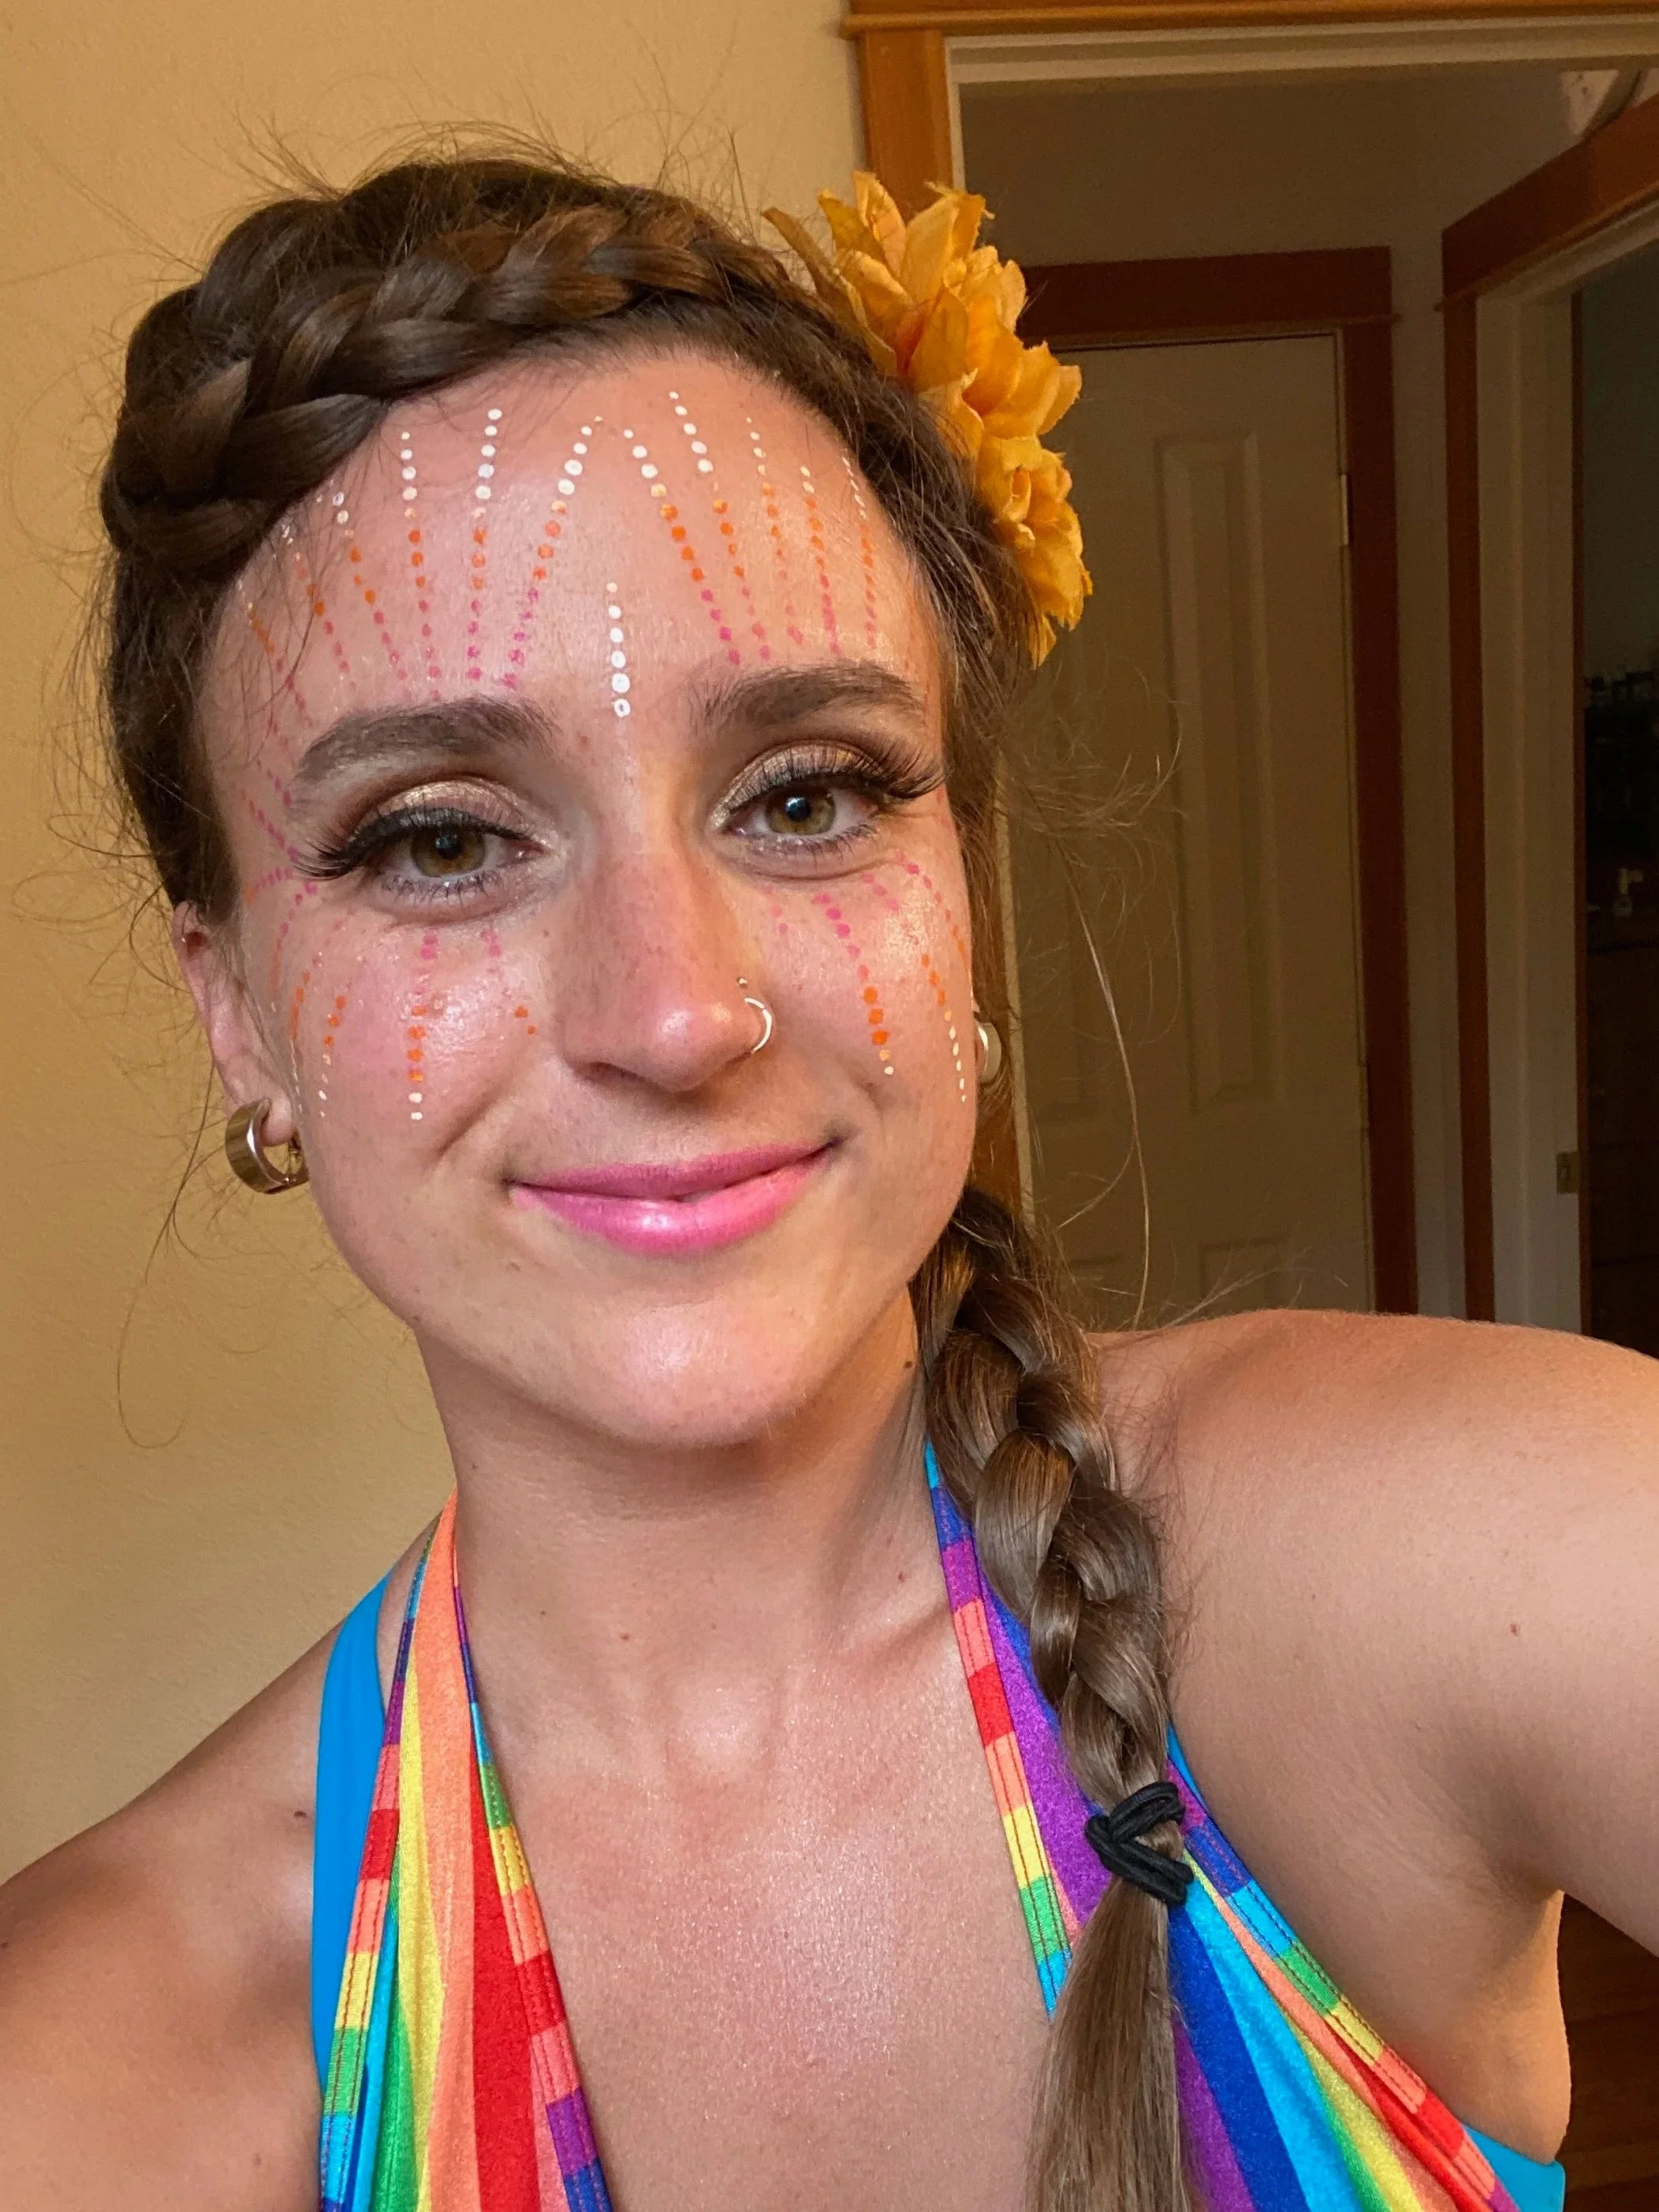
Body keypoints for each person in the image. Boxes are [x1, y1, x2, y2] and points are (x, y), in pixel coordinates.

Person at [0, 148, 1653, 2212]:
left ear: (959, 883)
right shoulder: (92, 2066)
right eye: (437, 836)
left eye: (806, 793)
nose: (679, 1013)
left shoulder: (1413, 1561)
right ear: (236, 1006)